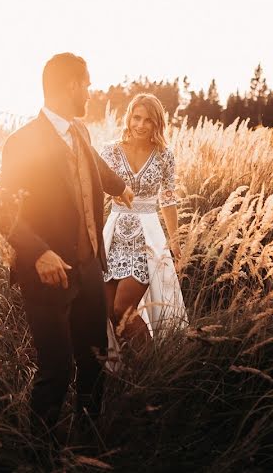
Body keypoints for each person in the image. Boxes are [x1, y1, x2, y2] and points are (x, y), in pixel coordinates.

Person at [0, 52, 135, 440]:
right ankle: (38, 453)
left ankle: (87, 443)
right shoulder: (22, 141)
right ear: (70, 86)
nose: (90, 92)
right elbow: (3, 212)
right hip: (47, 275)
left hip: (89, 270)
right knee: (56, 371)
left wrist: (120, 187)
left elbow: (90, 165)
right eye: (87, 84)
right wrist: (38, 251)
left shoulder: (81, 133)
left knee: (94, 363)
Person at [101, 93, 188, 351]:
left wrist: (174, 240)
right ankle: (131, 369)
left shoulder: (164, 156)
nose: (140, 125)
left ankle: (153, 362)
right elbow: (95, 191)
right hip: (114, 234)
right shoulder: (111, 151)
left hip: (146, 237)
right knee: (108, 312)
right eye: (136, 118)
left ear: (156, 124)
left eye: (148, 120)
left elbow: (168, 200)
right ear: (128, 117)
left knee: (123, 308)